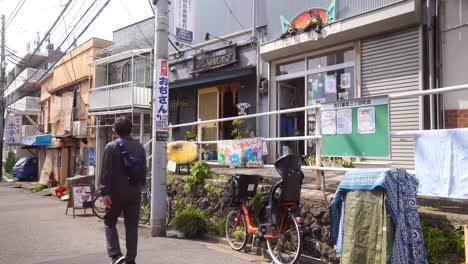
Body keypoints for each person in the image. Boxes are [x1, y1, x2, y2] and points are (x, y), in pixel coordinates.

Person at [100, 116, 146, 264]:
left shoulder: (111, 147)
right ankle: (131, 259)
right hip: (134, 192)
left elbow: (106, 172)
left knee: (109, 221)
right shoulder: (140, 147)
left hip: (116, 193)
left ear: (116, 131)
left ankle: (115, 255)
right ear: (130, 130)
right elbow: (143, 171)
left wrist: (105, 192)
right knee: (132, 226)